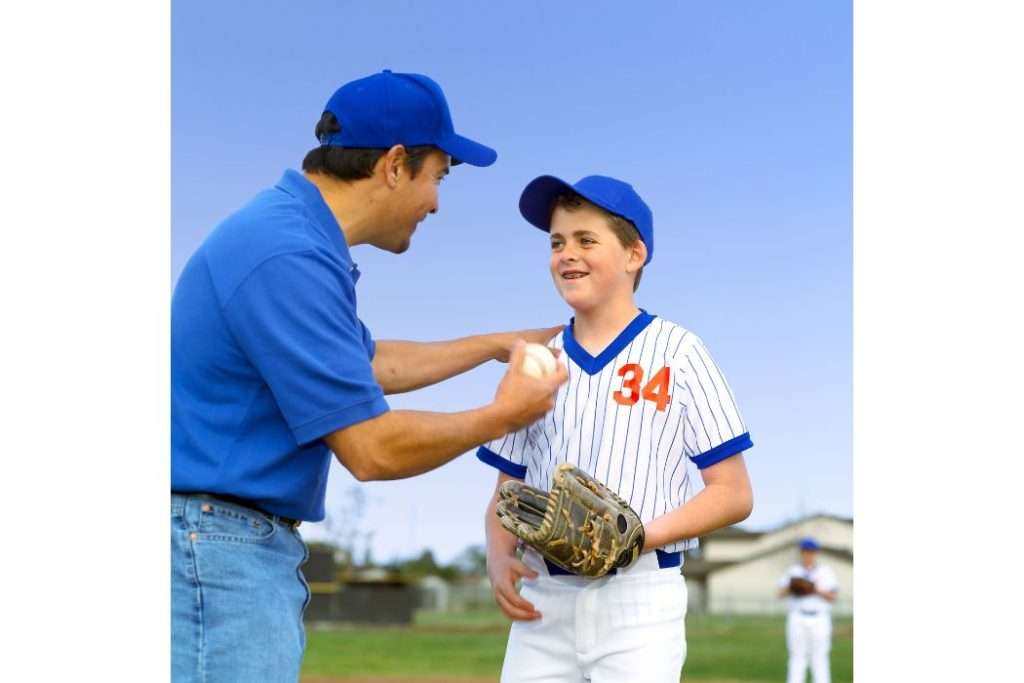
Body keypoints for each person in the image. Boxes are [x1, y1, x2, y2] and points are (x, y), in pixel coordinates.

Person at [170, 70, 568, 682]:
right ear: (394, 164)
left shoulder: (290, 234)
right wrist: (506, 414)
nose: (435, 201)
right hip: (214, 551)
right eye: (437, 177)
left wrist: (494, 345)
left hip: (218, 542)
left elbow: (371, 366)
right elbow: (372, 450)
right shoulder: (288, 256)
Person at [478, 174, 755, 682]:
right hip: (544, 599)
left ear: (634, 255)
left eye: (587, 240)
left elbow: (733, 493)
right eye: (557, 243)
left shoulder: (679, 352)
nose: (567, 254)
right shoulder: (536, 361)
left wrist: (638, 536)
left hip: (639, 598)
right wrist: (498, 557)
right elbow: (507, 489)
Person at [778, 537, 840, 683]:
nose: (808, 554)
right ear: (801, 552)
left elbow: (833, 596)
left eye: (811, 551)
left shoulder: (826, 571)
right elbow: (780, 593)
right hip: (798, 616)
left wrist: (814, 589)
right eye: (805, 551)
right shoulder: (794, 571)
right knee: (797, 656)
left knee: (819, 657)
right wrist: (795, 587)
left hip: (819, 617)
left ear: (816, 553)